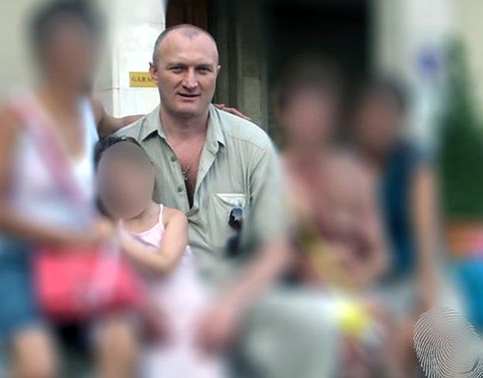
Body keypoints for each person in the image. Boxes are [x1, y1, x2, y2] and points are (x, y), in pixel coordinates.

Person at [115, 24, 342, 377]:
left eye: (202, 69)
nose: (191, 81)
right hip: (151, 301)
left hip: (237, 295)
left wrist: (231, 306)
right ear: (154, 72)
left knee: (315, 321)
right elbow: (97, 241)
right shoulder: (121, 150)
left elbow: (277, 246)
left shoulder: (252, 145)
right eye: (178, 68)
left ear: (217, 73)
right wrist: (137, 300)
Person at [0, 0, 139, 378]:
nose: (73, 59)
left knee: (122, 345)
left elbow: (120, 124)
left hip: (80, 256)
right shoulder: (14, 115)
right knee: (37, 364)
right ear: (43, 53)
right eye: (63, 49)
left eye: (82, 48)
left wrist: (201, 112)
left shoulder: (88, 109)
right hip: (16, 259)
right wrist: (64, 237)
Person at [274, 60, 389, 376]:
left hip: (356, 294)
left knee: (381, 332)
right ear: (285, 115)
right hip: (299, 298)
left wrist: (358, 278)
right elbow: (267, 257)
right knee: (346, 342)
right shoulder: (273, 177)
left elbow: (380, 254)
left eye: (321, 115)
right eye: (305, 113)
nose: (313, 123)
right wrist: (308, 264)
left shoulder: (355, 174)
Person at [95, 135, 225, 378]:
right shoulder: (109, 228)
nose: (126, 183)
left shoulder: (171, 218)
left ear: (150, 170)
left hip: (188, 319)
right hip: (144, 327)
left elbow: (165, 265)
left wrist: (115, 239)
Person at [352, 76, 446, 376]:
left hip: (411, 277)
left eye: (387, 115)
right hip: (365, 282)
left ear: (400, 119)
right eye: (372, 114)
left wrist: (426, 297)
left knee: (428, 337)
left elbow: (426, 238)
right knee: (379, 339)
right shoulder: (348, 162)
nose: (378, 123)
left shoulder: (414, 162)